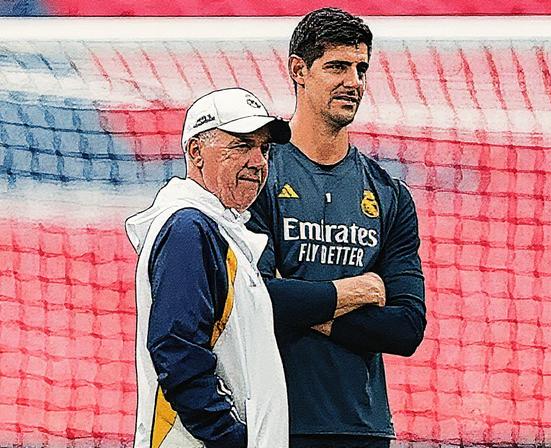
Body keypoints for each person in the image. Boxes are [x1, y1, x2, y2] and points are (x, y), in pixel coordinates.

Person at [125, 87, 384, 447]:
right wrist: (231, 439)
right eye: (242, 145)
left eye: (264, 148)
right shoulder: (189, 228)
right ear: (196, 152)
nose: (259, 161)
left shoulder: (217, 229)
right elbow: (177, 348)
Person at [246, 8, 427, 448]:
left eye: (361, 68)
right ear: (298, 70)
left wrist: (304, 302)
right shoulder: (256, 176)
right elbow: (256, 302)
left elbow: (406, 328)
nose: (354, 81)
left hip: (363, 427)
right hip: (274, 421)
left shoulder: (389, 194)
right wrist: (357, 292)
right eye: (337, 67)